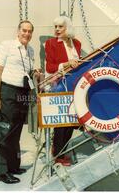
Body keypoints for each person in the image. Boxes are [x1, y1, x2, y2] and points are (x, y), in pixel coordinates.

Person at [0, 20, 41, 184]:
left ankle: (13, 166)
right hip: (8, 91)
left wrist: (35, 72)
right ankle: (2, 171)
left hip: (23, 93)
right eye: (24, 30)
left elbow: (27, 72)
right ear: (18, 31)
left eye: (29, 31)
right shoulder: (7, 45)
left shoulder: (31, 50)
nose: (27, 34)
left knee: (16, 131)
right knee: (4, 131)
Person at [45, 16, 82, 166]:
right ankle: (57, 153)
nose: (57, 30)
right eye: (56, 27)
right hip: (59, 85)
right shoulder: (51, 43)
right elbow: (50, 68)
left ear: (68, 28)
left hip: (75, 85)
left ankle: (62, 150)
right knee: (61, 121)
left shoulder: (77, 43)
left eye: (60, 27)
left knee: (72, 120)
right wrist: (67, 64)